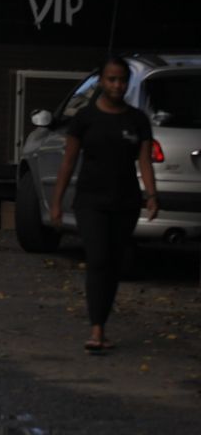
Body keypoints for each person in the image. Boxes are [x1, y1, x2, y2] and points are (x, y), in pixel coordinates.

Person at [49, 57, 158, 353]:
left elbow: (145, 160)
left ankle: (102, 323)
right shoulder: (85, 118)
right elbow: (68, 162)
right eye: (111, 79)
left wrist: (151, 194)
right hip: (90, 202)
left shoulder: (137, 120)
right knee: (97, 259)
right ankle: (96, 330)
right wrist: (56, 203)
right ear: (101, 82)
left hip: (125, 203)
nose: (116, 85)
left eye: (121, 80)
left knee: (112, 263)